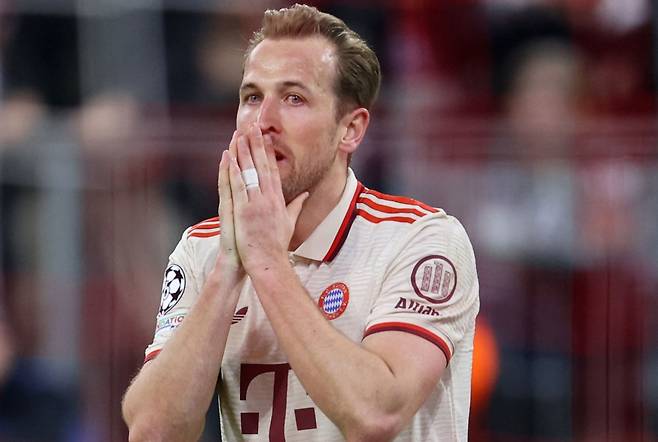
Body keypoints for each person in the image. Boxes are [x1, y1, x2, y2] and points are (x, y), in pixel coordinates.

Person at [122, 4, 479, 441]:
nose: (263, 122)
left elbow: (375, 415)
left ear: (350, 129)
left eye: (294, 98)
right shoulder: (202, 250)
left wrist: (267, 262)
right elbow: (152, 431)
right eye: (252, 97)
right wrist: (229, 268)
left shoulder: (422, 240)